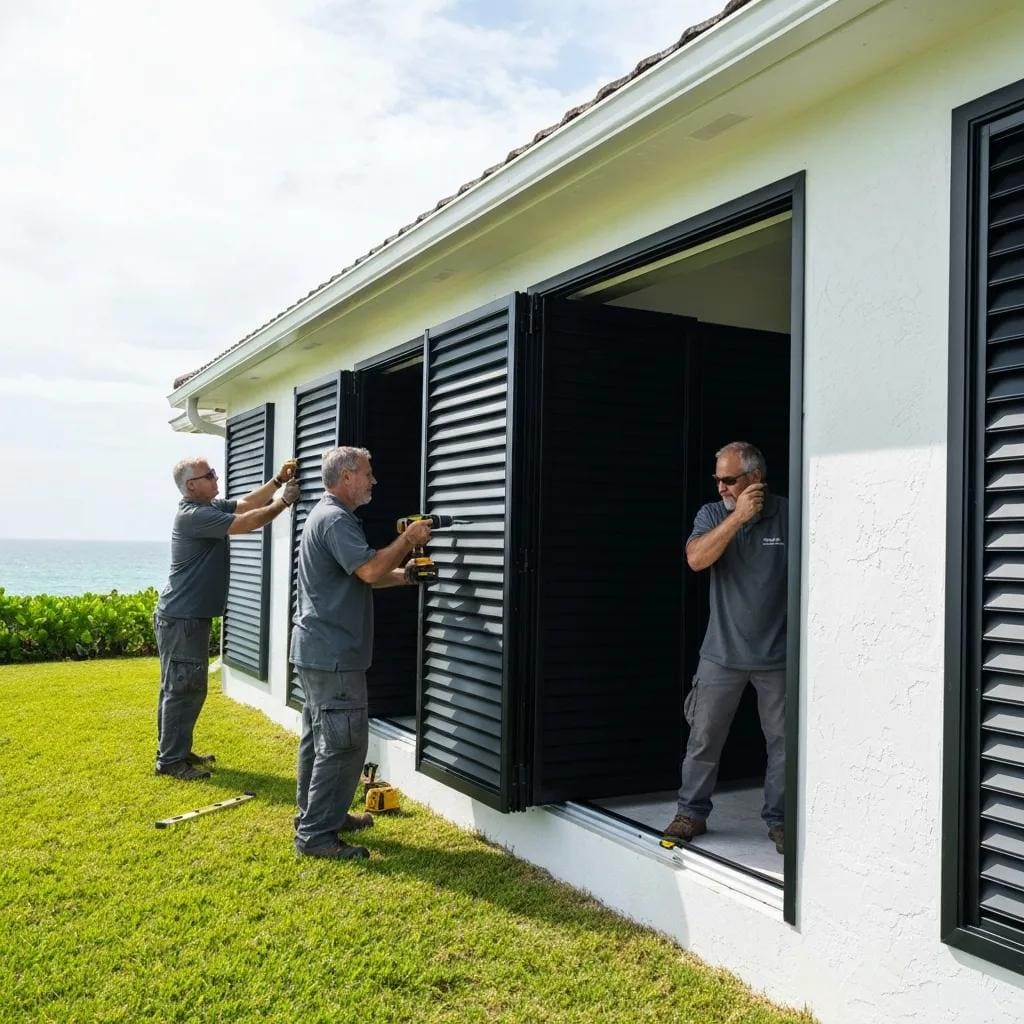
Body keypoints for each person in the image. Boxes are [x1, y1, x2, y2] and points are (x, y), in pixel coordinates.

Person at [290, 445, 432, 861]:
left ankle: (317, 817)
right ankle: (317, 837)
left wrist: (406, 576)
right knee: (344, 745)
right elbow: (369, 569)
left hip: (319, 650)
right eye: (368, 474)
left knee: (320, 740)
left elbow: (361, 577)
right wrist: (408, 539)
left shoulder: (329, 516)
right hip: (333, 654)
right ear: (347, 476)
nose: (374, 481)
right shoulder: (335, 520)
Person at [663, 441, 788, 854]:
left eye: (728, 479)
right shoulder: (713, 514)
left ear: (755, 479)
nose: (720, 487)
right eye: (717, 479)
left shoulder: (788, 515)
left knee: (784, 745)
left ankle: (781, 821)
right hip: (721, 653)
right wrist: (737, 518)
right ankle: (691, 813)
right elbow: (697, 559)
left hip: (779, 656)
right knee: (704, 739)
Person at [154, 456, 300, 781]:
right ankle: (171, 761)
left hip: (186, 616)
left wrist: (277, 481)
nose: (216, 478)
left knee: (182, 686)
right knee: (183, 688)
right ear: (192, 485)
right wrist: (284, 502)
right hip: (183, 618)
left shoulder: (208, 507)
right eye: (210, 475)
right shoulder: (193, 516)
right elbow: (247, 523)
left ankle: (176, 750)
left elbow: (246, 504)